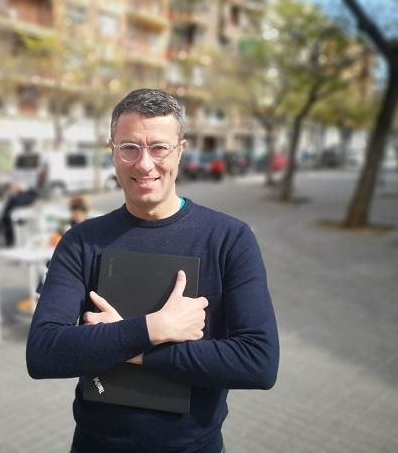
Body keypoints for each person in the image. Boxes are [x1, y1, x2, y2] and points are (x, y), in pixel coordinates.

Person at [26, 89, 279, 453]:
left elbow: (258, 362)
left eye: (159, 148)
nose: (144, 165)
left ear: (181, 150)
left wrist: (134, 350)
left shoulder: (229, 239)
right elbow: (43, 353)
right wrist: (154, 328)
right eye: (130, 148)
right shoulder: (82, 242)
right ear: (112, 151)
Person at [0, 183, 39, 247]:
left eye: (13, 189)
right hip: (29, 216)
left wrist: (2, 216)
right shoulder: (29, 196)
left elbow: (7, 209)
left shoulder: (13, 198)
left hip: (18, 217)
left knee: (7, 221)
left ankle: (11, 242)